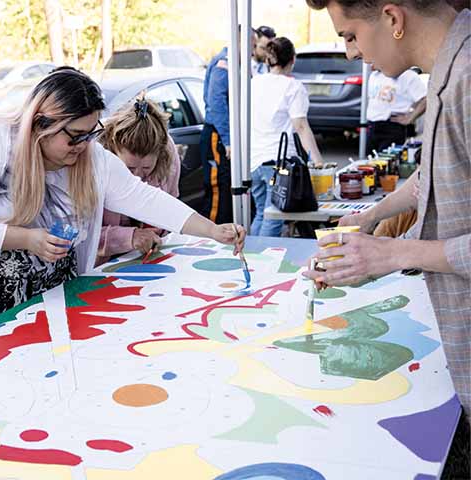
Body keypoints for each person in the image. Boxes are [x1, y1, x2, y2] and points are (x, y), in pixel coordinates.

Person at [0, 68, 247, 350]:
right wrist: (28, 239)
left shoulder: (92, 158)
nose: (84, 145)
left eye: (91, 133)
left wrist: (212, 230)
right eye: (74, 136)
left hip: (53, 300)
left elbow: (146, 199)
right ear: (41, 123)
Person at [303, 1, 469, 475]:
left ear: (394, 19)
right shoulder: (446, 70)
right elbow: (436, 174)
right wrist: (372, 217)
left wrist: (391, 253)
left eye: (350, 35)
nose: (352, 53)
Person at [249, 37, 325, 237]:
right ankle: (261, 261)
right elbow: (300, 125)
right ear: (293, 59)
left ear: (267, 60)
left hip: (253, 161)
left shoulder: (252, 83)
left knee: (261, 214)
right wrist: (317, 160)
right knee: (274, 218)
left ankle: (250, 256)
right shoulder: (293, 87)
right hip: (277, 163)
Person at [96, 96, 181, 265]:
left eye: (147, 169)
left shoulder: (168, 151)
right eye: (130, 169)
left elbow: (171, 205)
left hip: (150, 257)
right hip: (100, 265)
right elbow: (82, 235)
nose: (138, 177)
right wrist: (130, 237)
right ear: (113, 149)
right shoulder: (94, 157)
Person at [200, 29, 257, 224]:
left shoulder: (235, 64)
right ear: (241, 42)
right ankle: (211, 237)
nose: (253, 51)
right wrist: (227, 139)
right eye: (253, 45)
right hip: (218, 135)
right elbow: (217, 104)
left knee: (227, 192)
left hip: (225, 134)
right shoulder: (223, 64)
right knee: (218, 192)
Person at [367, 67, 427, 152]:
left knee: (388, 162)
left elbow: (424, 99)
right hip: (372, 125)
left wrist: (410, 118)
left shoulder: (407, 75)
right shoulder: (374, 75)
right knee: (370, 162)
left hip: (392, 126)